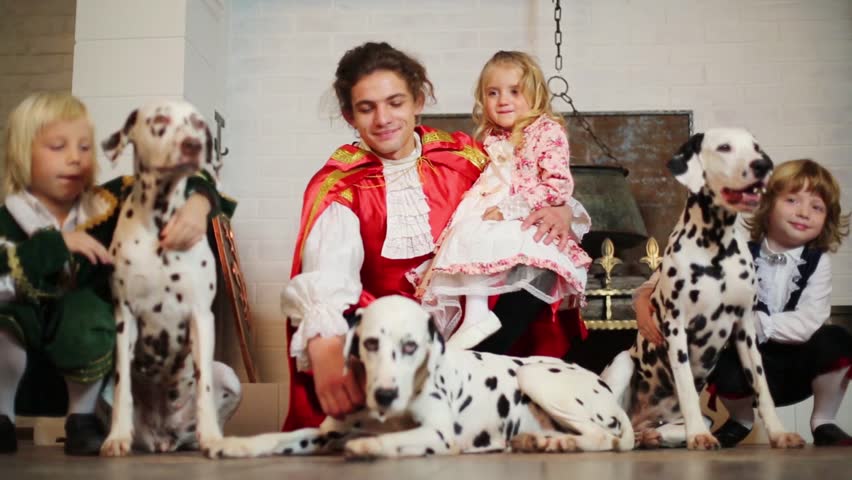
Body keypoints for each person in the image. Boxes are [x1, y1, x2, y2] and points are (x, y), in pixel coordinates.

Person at [280, 42, 585, 431]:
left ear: (418, 101)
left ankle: (481, 389)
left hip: (469, 346)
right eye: (366, 108)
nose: (383, 118)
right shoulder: (342, 186)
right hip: (388, 354)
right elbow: (328, 277)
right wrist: (323, 341)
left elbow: (525, 182)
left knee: (539, 257)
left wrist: (560, 209)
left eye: (395, 102)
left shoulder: (464, 157)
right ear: (349, 116)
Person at [0, 92, 234, 455]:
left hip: (85, 357)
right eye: (58, 146)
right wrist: (59, 244)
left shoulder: (107, 203)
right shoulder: (9, 217)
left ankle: (82, 421)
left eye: (83, 146)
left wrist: (199, 204)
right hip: (28, 361)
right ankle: (2, 418)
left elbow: (196, 177)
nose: (74, 157)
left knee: (91, 314)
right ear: (20, 153)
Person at [635, 159, 852, 447]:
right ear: (767, 204)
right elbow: (673, 270)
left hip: (798, 366)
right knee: (720, 356)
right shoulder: (737, 248)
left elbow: (809, 320)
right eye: (792, 200)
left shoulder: (817, 261)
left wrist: (752, 323)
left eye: (817, 207)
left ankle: (823, 421)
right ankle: (740, 421)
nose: (804, 212)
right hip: (744, 367)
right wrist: (643, 298)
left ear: (828, 218)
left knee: (835, 338)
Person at [413, 51, 591, 349]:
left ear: (535, 95)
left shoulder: (546, 131)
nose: (502, 100)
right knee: (468, 237)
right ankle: (476, 314)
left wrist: (510, 208)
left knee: (492, 245)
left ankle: (486, 325)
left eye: (514, 91)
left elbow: (558, 185)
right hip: (490, 208)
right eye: (492, 93)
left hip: (523, 216)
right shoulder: (493, 137)